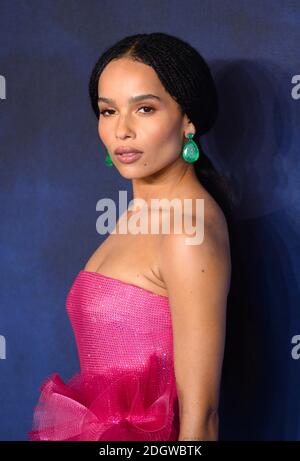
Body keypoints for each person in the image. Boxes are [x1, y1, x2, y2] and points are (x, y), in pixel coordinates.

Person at [28, 32, 233, 441]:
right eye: (108, 111)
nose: (122, 130)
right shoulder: (142, 213)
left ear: (187, 118)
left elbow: (201, 420)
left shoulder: (186, 230)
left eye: (144, 108)